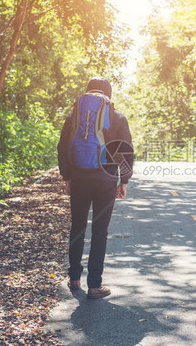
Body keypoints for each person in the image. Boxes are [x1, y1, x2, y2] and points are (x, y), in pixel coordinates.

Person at [57, 77, 134, 299]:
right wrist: (124, 180)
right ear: (108, 94)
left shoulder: (74, 117)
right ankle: (94, 285)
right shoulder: (116, 117)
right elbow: (126, 150)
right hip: (106, 181)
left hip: (80, 178)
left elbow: (63, 147)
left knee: (77, 227)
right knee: (100, 232)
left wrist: (67, 177)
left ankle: (73, 278)